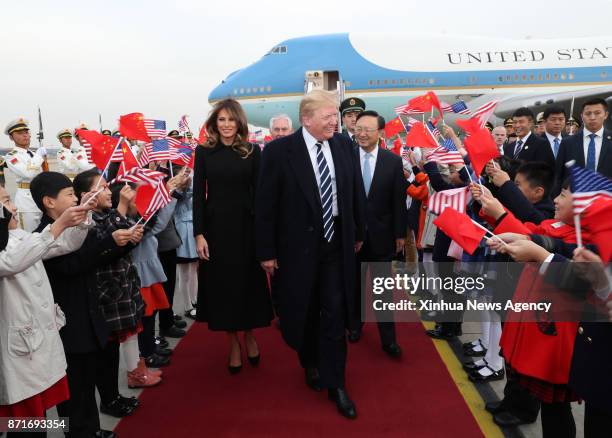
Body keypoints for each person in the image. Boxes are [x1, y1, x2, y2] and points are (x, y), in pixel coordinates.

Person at [256, 89, 366, 419]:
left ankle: (337, 383)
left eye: (336, 116)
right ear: (307, 120)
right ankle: (310, 360)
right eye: (328, 116)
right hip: (296, 248)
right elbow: (265, 204)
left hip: (336, 245)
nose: (336, 121)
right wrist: (267, 251)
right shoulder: (278, 152)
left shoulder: (344, 145)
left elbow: (354, 190)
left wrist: (358, 232)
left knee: (334, 311)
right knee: (302, 311)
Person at [29, 172, 118, 438]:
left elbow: (90, 252)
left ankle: (89, 429)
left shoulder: (74, 224)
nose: (75, 197)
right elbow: (71, 265)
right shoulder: (39, 238)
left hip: (87, 318)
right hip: (69, 327)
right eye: (69, 194)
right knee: (73, 393)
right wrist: (107, 243)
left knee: (86, 386)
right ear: (49, 202)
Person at [0, 183, 93, 435]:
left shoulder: (19, 236)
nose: (14, 207)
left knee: (38, 415)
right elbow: (11, 261)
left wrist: (82, 217)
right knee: (24, 422)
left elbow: (63, 245)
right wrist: (59, 225)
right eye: (6, 202)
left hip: (36, 342)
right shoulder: (9, 246)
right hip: (20, 347)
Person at [193, 99, 273, 374]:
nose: (226, 125)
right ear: (214, 124)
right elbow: (197, 197)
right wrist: (199, 234)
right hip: (216, 231)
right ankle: (233, 343)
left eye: (231, 120)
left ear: (240, 122)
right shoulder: (203, 152)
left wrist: (264, 234)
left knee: (247, 285)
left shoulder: (252, 152)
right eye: (221, 120)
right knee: (223, 289)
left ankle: (249, 334)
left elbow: (261, 195)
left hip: (246, 229)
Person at [348, 110, 406, 358]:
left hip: (382, 237)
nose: (361, 134)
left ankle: (388, 340)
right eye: (358, 128)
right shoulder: (345, 158)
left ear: (380, 133)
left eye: (367, 130)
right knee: (354, 286)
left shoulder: (392, 161)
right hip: (351, 238)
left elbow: (398, 202)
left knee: (383, 289)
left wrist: (400, 234)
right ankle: (354, 326)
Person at [554, 98, 612, 196]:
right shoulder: (568, 143)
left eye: (597, 113)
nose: (592, 117)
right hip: (575, 200)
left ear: (605, 115)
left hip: (607, 201)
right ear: (582, 116)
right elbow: (558, 176)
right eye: (588, 113)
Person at [4, 118, 45, 231]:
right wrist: (39, 156)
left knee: (43, 234)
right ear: (11, 137)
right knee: (28, 235)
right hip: (27, 201)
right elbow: (28, 173)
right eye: (20, 133)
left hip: (41, 197)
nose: (25, 135)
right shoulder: (12, 156)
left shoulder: (33, 154)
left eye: (26, 132)